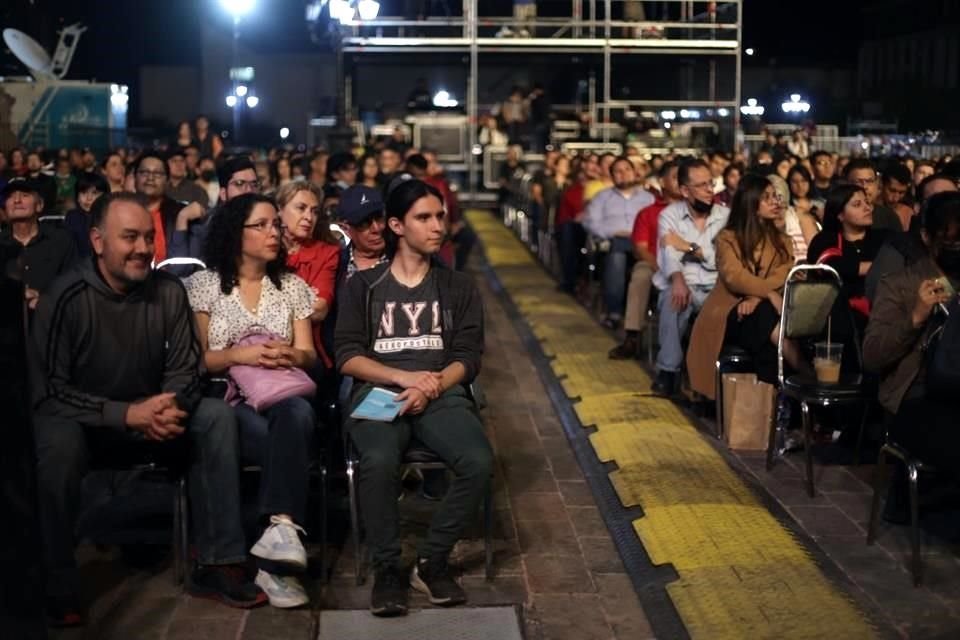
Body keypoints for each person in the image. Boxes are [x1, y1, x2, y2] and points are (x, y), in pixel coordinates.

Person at [31, 193, 266, 625]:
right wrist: (124, 414)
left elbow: (186, 369)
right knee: (54, 440)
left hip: (154, 418)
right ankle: (56, 581)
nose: (142, 248)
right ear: (98, 241)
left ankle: (218, 563)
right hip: (87, 424)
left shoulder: (168, 292)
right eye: (129, 238)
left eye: (146, 237)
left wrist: (168, 407)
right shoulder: (66, 296)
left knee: (215, 416)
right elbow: (47, 391)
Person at [335, 179, 491, 617]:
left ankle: (432, 558)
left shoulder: (458, 286)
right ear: (396, 225)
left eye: (440, 216)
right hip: (380, 390)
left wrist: (433, 385)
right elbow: (347, 356)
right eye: (424, 217)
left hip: (440, 391)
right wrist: (405, 379)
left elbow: (468, 356)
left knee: (477, 462)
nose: (437, 226)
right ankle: (388, 567)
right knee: (380, 461)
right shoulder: (363, 286)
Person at [186, 194, 318, 609]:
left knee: (296, 411)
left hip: (279, 390)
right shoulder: (205, 285)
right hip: (228, 396)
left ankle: (279, 533)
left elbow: (308, 354)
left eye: (275, 225)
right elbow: (198, 359)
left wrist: (287, 355)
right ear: (234, 232)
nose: (274, 233)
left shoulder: (291, 286)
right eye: (261, 225)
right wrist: (240, 355)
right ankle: (276, 552)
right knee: (278, 434)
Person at [863, 191, 960, 515]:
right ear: (926, 236)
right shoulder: (902, 283)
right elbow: (873, 355)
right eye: (950, 242)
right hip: (915, 398)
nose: (957, 250)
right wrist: (916, 317)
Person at [687, 175, 798, 399]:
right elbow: (735, 277)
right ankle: (802, 372)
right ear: (751, 203)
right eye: (767, 198)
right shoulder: (728, 238)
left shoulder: (782, 240)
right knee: (766, 319)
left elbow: (783, 274)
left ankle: (771, 406)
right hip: (730, 311)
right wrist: (766, 293)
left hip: (760, 312)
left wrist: (757, 298)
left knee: (764, 327)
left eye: (775, 197)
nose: (776, 202)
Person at [650, 159, 730, 396]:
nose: (710, 190)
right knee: (673, 300)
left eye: (711, 183)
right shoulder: (669, 216)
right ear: (685, 190)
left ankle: (706, 382)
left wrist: (690, 248)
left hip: (717, 287)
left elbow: (724, 260)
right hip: (685, 284)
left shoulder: (726, 216)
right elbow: (668, 254)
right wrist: (678, 280)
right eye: (702, 185)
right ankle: (669, 372)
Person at [807, 183, 887, 369]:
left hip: (883, 308)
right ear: (840, 214)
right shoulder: (827, 240)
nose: (867, 208)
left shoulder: (883, 238)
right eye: (857, 205)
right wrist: (875, 267)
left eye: (867, 203)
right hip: (839, 317)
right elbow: (826, 266)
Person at [609, 160, 680, 359]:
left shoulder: (696, 210)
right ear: (662, 182)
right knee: (640, 274)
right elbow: (640, 248)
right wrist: (662, 268)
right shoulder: (648, 213)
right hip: (654, 264)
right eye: (675, 177)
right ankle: (632, 335)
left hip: (688, 265)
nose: (680, 182)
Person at [277, 181, 341, 377]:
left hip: (308, 352)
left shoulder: (326, 253)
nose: (309, 217)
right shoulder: (264, 248)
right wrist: (302, 302)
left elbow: (320, 309)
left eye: (314, 211)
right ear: (279, 210)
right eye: (301, 208)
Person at [583, 157, 655, 328]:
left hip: (642, 243)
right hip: (613, 240)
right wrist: (610, 232)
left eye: (627, 170)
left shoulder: (648, 198)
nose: (623, 174)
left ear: (634, 173)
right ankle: (614, 312)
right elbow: (590, 222)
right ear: (612, 175)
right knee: (616, 255)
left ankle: (641, 309)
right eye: (618, 171)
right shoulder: (602, 197)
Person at [0, 178, 77, 310]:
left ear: (39, 205)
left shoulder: (61, 241)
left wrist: (45, 300)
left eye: (25, 195)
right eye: (11, 196)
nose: (17, 200)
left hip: (52, 322)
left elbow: (74, 285)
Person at [844, 158, 900, 232]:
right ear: (847, 184)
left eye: (869, 181)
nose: (864, 186)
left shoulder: (889, 217)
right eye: (858, 181)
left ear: (877, 184)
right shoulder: (840, 216)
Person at [63, 172, 108, 257]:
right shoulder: (72, 217)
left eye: (94, 193)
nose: (88, 198)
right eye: (83, 193)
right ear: (77, 197)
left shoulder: (109, 216)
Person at [879, 163, 912, 230]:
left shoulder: (908, 213)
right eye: (892, 190)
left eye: (901, 192)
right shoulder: (868, 210)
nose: (896, 198)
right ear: (881, 184)